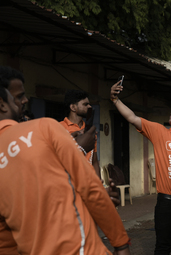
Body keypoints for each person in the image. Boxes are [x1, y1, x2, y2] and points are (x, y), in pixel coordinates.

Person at [0, 82, 131, 254]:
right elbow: (65, 184)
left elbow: (5, 238)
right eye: (15, 97)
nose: (24, 101)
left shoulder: (88, 131)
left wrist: (99, 185)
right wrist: (121, 244)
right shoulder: (47, 127)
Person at [110, 84, 171, 255]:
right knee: (162, 247)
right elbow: (132, 117)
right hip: (167, 204)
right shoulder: (160, 132)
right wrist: (115, 100)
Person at [60, 90, 101, 178]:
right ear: (73, 107)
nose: (90, 107)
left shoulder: (90, 131)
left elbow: (94, 161)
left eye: (89, 104)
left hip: (89, 182)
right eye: (85, 104)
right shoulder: (58, 128)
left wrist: (99, 185)